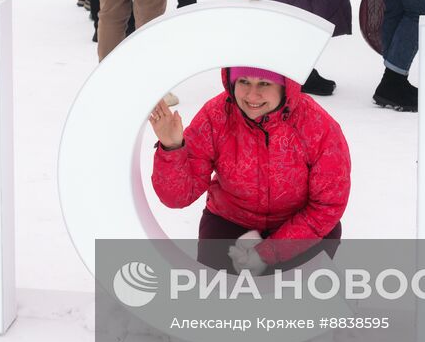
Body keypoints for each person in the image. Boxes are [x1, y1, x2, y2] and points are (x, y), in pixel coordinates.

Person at [148, 67, 350, 274]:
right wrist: (172, 147)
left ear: (285, 86)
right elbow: (178, 197)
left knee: (291, 298)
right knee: (220, 295)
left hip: (301, 228)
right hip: (231, 220)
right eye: (244, 81)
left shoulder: (317, 125)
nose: (252, 95)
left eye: (264, 83)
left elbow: (327, 207)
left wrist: (268, 252)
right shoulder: (215, 116)